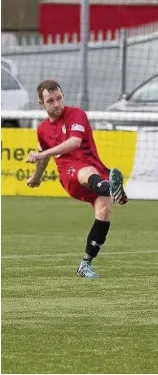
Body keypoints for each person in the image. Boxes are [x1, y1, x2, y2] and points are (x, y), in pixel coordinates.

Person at [26, 79, 128, 279]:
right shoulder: (42, 130)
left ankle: (85, 264)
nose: (56, 104)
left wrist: (41, 154)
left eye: (59, 98)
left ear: (63, 96)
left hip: (97, 173)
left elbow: (74, 142)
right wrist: (35, 178)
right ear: (41, 104)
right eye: (50, 101)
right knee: (85, 171)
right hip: (70, 174)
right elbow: (44, 157)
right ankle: (112, 190)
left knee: (104, 210)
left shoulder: (77, 114)